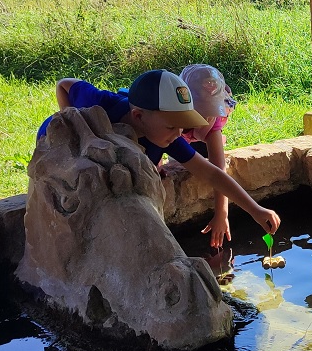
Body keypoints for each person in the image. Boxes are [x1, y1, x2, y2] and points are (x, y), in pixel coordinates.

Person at [40, 69, 280, 241]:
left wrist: (255, 210)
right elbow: (64, 83)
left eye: (182, 125)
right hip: (56, 152)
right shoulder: (101, 104)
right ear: (138, 116)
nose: (179, 134)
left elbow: (212, 173)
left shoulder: (167, 136)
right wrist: (73, 122)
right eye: (172, 126)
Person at [178, 64, 237, 248]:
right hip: (182, 135)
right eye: (201, 112)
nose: (207, 119)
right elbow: (157, 146)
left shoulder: (213, 122)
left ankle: (209, 141)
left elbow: (219, 170)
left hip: (204, 136)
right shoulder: (174, 121)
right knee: (182, 158)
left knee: (210, 144)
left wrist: (222, 213)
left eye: (212, 111)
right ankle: (193, 142)